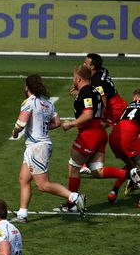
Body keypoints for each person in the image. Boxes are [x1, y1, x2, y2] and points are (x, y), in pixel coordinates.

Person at [10, 75, 86, 223]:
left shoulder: (29, 102)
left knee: (43, 185)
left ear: (27, 87)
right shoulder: (47, 103)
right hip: (40, 145)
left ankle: (75, 197)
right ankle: (22, 214)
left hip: (36, 147)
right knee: (23, 178)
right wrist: (43, 126)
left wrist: (15, 132)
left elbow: (21, 123)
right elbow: (57, 122)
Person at [60, 65, 128, 213]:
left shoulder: (86, 93)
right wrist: (80, 93)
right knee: (96, 171)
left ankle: (71, 203)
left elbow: (88, 114)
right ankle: (129, 174)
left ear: (78, 78)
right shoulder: (94, 90)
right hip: (99, 132)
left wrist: (70, 124)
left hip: (89, 135)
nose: (73, 79)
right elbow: (102, 106)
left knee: (73, 168)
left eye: (73, 77)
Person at [84, 53, 131, 202]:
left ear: (92, 66)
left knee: (95, 131)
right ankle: (117, 187)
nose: (84, 64)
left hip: (114, 109)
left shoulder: (97, 80)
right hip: (117, 105)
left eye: (86, 63)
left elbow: (103, 99)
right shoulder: (102, 71)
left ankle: (85, 161)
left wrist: (100, 114)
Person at [108, 88, 140, 200]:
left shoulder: (128, 106)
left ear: (135, 97)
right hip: (128, 136)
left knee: (132, 165)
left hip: (114, 137)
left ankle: (114, 191)